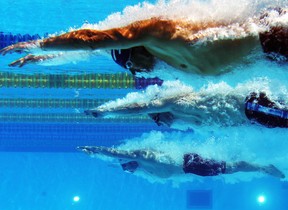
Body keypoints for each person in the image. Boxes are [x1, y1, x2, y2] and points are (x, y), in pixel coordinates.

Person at [1, 8, 288, 75]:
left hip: (275, 34)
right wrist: (44, 59)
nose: (138, 72)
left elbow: (91, 42)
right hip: (273, 56)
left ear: (131, 50)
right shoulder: (163, 59)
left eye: (131, 66)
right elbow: (92, 53)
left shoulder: (157, 33)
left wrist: (36, 45)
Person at [85, 81, 288, 129]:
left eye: (158, 120)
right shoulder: (189, 123)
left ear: (158, 112)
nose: (163, 125)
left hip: (252, 105)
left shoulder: (173, 101)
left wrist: (106, 111)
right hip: (254, 118)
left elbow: (141, 106)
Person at [77, 145, 285, 179]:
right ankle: (262, 166)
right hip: (190, 167)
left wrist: (95, 151)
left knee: (232, 168)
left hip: (191, 164)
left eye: (126, 167)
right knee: (231, 168)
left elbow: (115, 153)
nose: (129, 170)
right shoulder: (146, 168)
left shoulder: (141, 156)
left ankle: (264, 167)